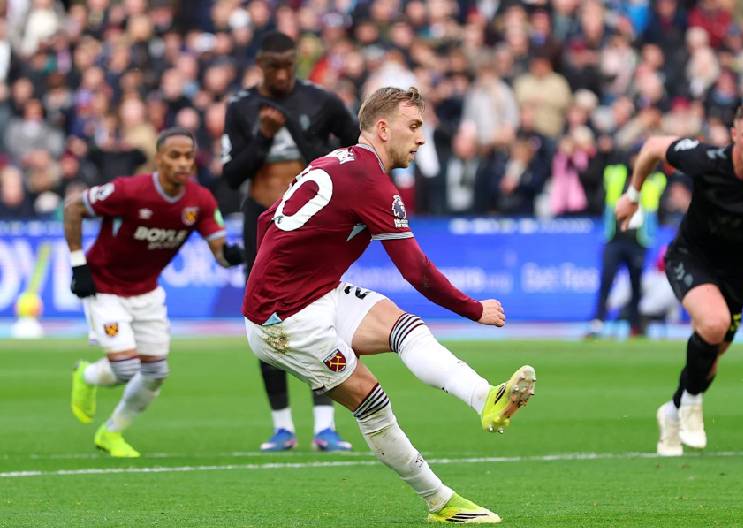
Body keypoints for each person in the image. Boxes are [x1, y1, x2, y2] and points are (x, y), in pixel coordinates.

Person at [242, 86, 535, 523]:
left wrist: (277, 272)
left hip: (315, 292)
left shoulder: (334, 161)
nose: (420, 138)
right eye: (413, 126)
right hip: (284, 320)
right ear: (382, 128)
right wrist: (473, 309)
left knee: (405, 328)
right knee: (372, 402)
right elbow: (416, 271)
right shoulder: (370, 182)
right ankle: (442, 502)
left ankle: (486, 398)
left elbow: (268, 220)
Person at [614, 103, 743, 456]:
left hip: (737, 272)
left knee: (711, 358)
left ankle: (673, 410)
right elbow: (652, 147)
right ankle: (691, 403)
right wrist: (632, 196)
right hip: (690, 257)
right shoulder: (706, 159)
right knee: (713, 323)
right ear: (734, 135)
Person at [67, 128, 244, 458]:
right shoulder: (128, 190)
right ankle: (86, 375)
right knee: (125, 369)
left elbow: (220, 253)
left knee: (156, 372)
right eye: (174, 156)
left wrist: (234, 255)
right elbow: (73, 208)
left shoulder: (200, 200)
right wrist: (79, 266)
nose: (183, 163)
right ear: (158, 159)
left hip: (147, 292)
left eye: (188, 156)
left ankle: (111, 433)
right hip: (105, 286)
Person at [222, 31, 361, 452]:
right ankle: (282, 427)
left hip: (312, 222)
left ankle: (325, 426)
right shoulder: (241, 107)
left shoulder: (321, 101)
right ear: (259, 65)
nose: (282, 75)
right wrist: (263, 137)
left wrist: (300, 135)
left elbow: (356, 153)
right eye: (273, 67)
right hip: (261, 221)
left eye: (288, 66)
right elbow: (231, 175)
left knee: (318, 314)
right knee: (264, 318)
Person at [586, 153, 667, 338]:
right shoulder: (615, 174)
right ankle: (598, 322)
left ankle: (635, 325)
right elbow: (599, 193)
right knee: (607, 280)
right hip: (614, 238)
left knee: (636, 284)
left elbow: (659, 208)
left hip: (638, 240)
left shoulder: (655, 180)